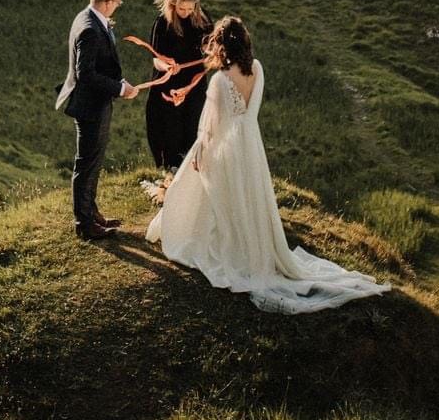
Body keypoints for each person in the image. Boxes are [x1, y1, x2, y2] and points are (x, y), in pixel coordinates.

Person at [145, 17, 389, 312]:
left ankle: (210, 237)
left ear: (221, 47)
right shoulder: (256, 69)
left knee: (202, 186)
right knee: (246, 192)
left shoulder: (222, 79)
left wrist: (201, 152)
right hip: (250, 141)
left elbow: (210, 126)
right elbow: (247, 111)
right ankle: (247, 240)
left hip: (226, 142)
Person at [53, 0, 138, 239]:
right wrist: (120, 89)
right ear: (107, 2)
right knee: (87, 163)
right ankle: (84, 224)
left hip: (95, 102)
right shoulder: (90, 29)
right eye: (118, 3)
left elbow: (99, 66)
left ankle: (92, 213)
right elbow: (86, 74)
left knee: (93, 161)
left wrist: (118, 81)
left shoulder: (86, 17)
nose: (118, 6)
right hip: (91, 106)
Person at [144, 0, 211, 175]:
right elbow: (155, 58)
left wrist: (209, 50)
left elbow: (208, 44)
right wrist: (166, 66)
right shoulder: (163, 22)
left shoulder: (202, 17)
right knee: (170, 125)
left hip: (194, 82)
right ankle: (171, 167)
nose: (186, 13)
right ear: (173, 3)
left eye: (190, 9)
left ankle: (191, 167)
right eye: (182, 9)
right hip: (169, 83)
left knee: (193, 121)